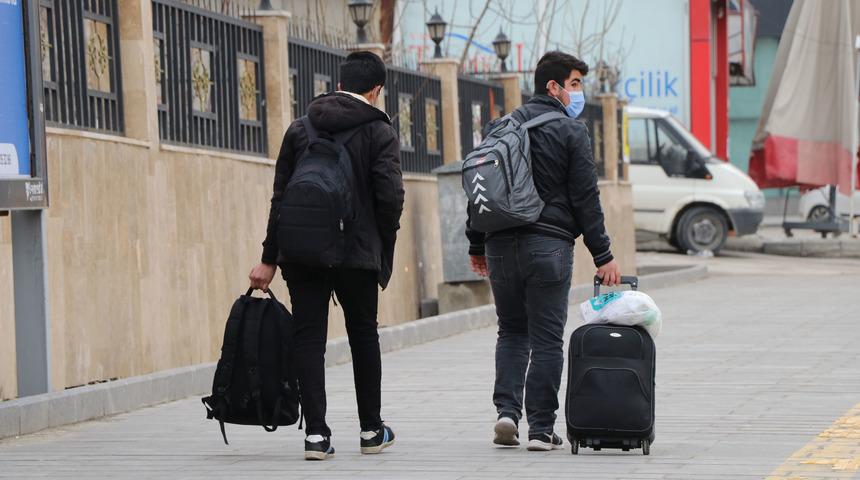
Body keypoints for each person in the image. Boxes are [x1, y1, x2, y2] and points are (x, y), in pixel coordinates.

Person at [248, 51, 405, 461]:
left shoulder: (301, 129)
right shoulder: (379, 132)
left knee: (308, 337)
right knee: (362, 335)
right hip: (357, 252)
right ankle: (372, 429)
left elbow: (281, 198)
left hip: (301, 252)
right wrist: (381, 241)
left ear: (338, 83)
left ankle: (316, 435)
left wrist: (269, 257)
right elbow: (390, 197)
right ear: (375, 90)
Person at [466, 51, 622, 451]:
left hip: (500, 244)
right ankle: (539, 429)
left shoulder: (501, 127)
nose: (578, 92)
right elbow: (586, 198)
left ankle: (505, 414)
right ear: (552, 87)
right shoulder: (571, 132)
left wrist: (477, 242)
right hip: (548, 245)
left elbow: (480, 184)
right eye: (574, 84)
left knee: (512, 331)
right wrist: (603, 254)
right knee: (548, 338)